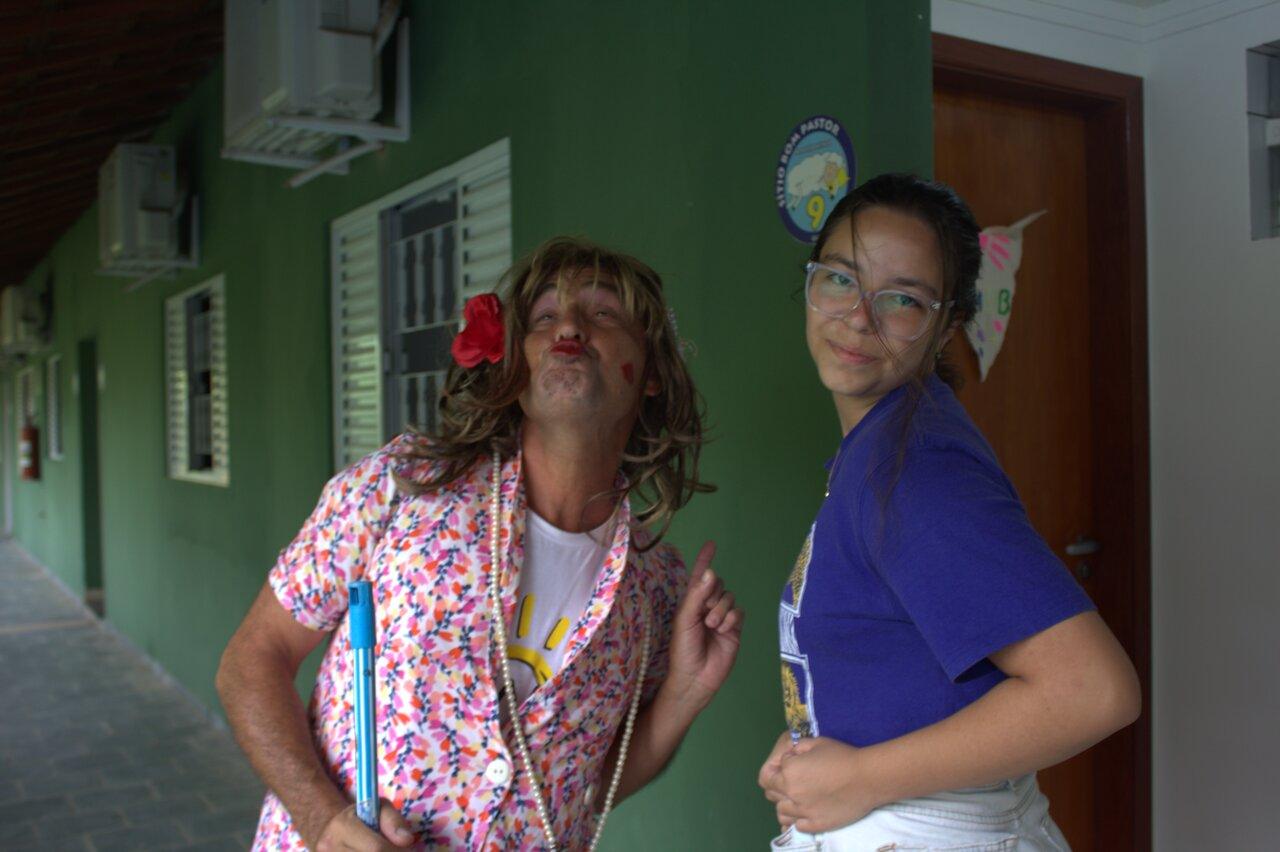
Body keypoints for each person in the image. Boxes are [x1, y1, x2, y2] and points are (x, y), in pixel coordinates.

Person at [217, 236, 744, 851]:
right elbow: (252, 660)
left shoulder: (656, 590)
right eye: (544, 316)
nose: (569, 327)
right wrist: (321, 819)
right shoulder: (405, 485)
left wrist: (683, 694)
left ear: (651, 372)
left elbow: (585, 789)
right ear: (513, 366)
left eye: (603, 312)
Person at [758, 174, 1140, 850]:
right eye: (840, 279)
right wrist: (814, 733)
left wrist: (863, 776)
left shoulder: (915, 470)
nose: (858, 317)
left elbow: (1091, 689)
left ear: (946, 328)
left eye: (902, 299)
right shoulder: (883, 443)